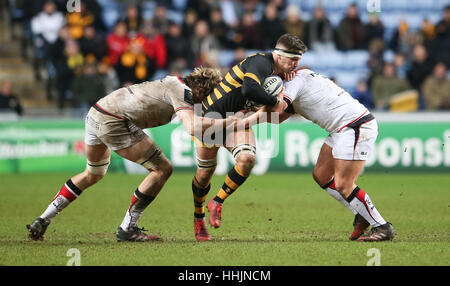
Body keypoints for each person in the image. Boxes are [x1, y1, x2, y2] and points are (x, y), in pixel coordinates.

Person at [26, 67, 237, 242]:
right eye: (209, 97)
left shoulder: (176, 83)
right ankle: (128, 227)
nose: (209, 102)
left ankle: (44, 219)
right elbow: (192, 127)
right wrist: (231, 121)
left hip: (97, 112)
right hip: (113, 120)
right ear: (201, 90)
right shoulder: (184, 93)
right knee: (162, 169)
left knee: (93, 173)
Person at [247, 69, 395, 242]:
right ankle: (361, 213)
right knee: (322, 175)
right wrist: (249, 117)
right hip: (341, 129)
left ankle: (382, 227)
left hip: (355, 125)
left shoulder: (295, 81)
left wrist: (242, 121)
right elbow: (276, 118)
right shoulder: (295, 86)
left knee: (343, 184)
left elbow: (278, 109)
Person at [191, 34, 304, 242]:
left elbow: (272, 115)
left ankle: (217, 201)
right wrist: (274, 100)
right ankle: (199, 217)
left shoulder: (277, 74)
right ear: (278, 56)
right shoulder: (260, 62)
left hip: (236, 119)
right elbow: (250, 89)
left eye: (298, 60)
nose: (296, 65)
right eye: (293, 60)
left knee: (247, 159)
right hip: (210, 118)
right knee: (204, 174)